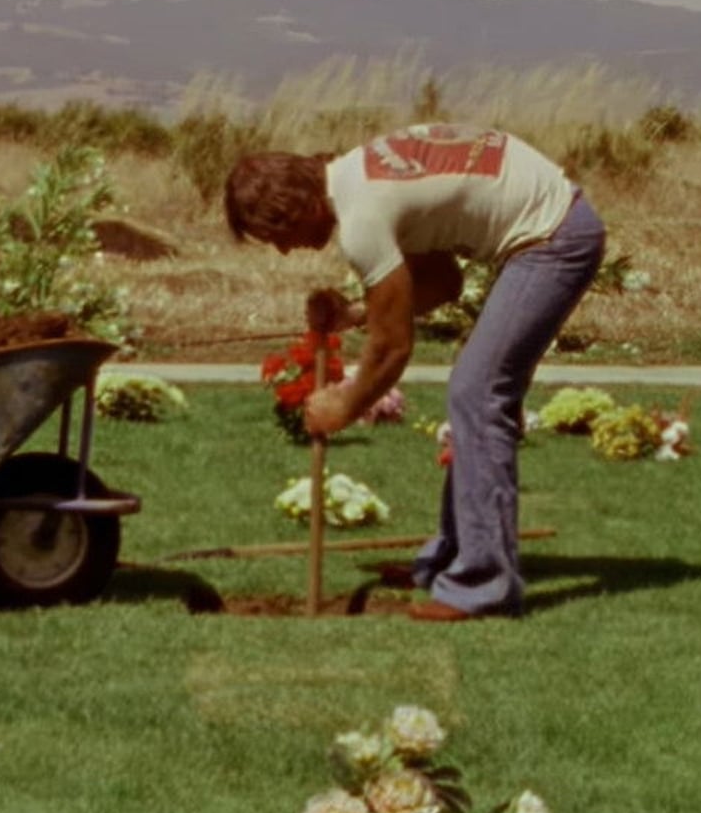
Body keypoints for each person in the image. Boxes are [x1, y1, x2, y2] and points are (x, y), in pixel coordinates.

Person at [224, 123, 606, 621]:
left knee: (478, 393)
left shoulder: (363, 217)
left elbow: (392, 348)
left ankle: (482, 585)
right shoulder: (359, 175)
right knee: (478, 393)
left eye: (278, 234)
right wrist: (356, 315)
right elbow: (443, 282)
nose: (282, 249)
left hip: (554, 238)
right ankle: (450, 561)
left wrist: (344, 403)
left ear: (304, 208)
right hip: (552, 227)